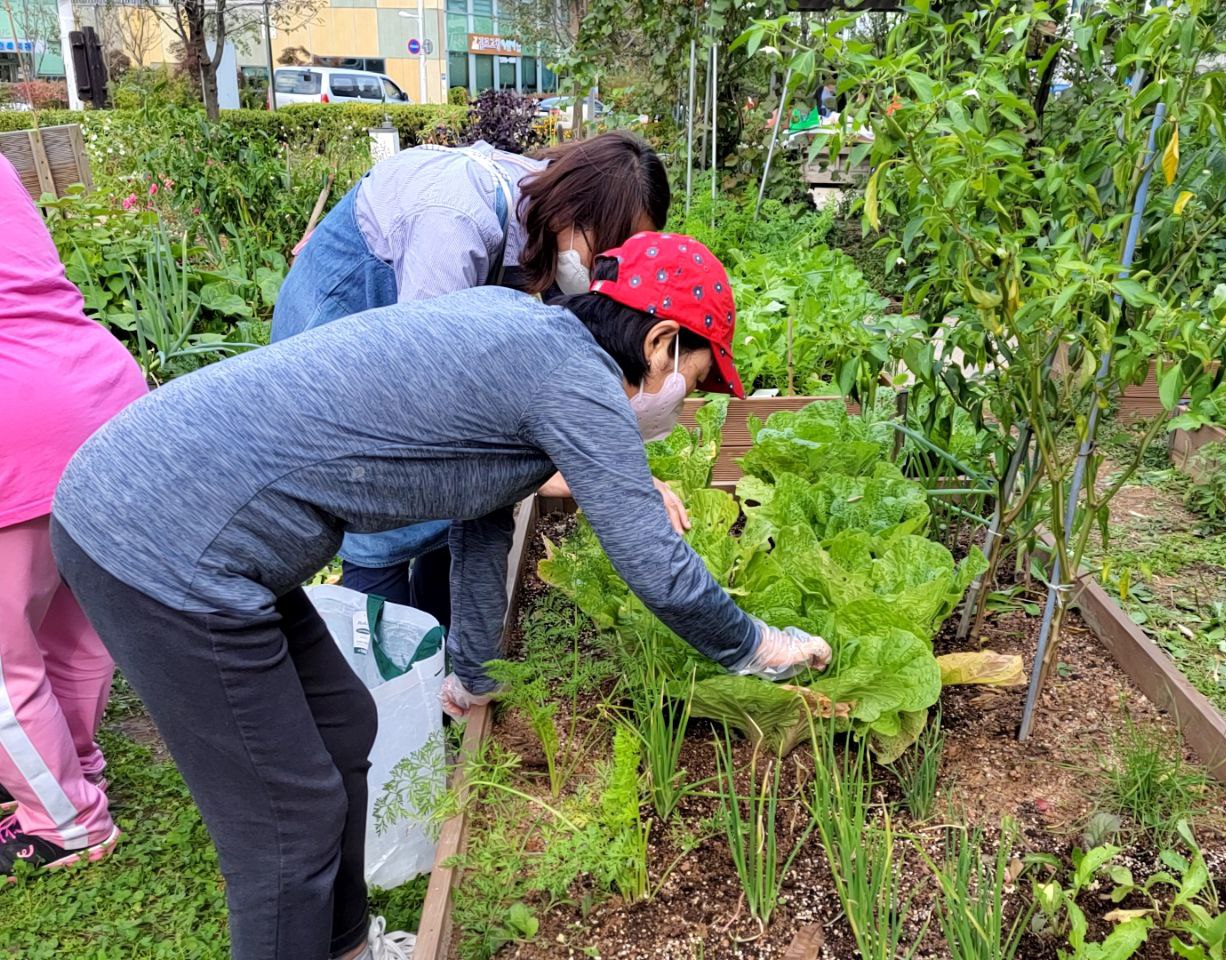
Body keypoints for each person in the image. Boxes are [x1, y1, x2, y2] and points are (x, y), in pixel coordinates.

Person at [51, 233, 830, 960]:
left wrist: (477, 669)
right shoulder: (575, 382)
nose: (684, 402)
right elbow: (652, 560)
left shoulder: (527, 335)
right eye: (692, 380)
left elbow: (483, 519)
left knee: (345, 724)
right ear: (660, 341)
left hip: (196, 515)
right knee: (288, 827)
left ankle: (348, 948)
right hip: (159, 540)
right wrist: (757, 646)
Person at [271, 130, 679, 625]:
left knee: (455, 501)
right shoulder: (455, 224)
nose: (603, 271)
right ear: (574, 212)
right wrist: (563, 471)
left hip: (415, 344)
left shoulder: (541, 212)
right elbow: (422, 386)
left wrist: (616, 465)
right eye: (606, 251)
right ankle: (388, 677)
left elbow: (569, 356)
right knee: (377, 493)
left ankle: (445, 660)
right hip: (345, 326)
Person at [0, 155, 148, 875]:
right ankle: (74, 766)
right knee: (74, 619)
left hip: (14, 417)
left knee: (2, 664)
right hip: (97, 389)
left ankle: (64, 822)